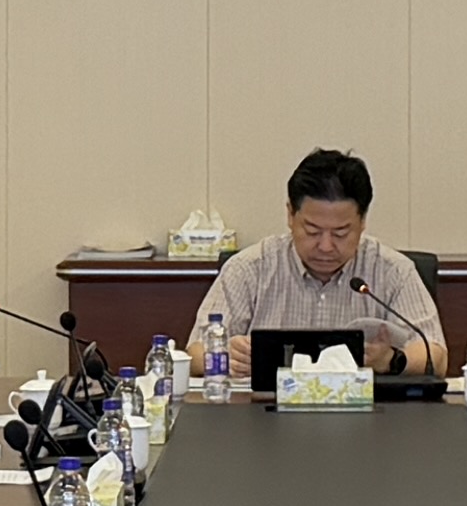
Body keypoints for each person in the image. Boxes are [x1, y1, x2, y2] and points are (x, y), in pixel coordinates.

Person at [191, 145, 445, 377]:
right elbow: (194, 353)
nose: (326, 246)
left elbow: (436, 355)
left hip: (364, 411)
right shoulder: (249, 268)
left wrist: (392, 360)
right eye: (312, 231)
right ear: (290, 215)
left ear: (362, 221)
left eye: (341, 233)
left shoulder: (393, 271)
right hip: (266, 409)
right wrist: (227, 357)